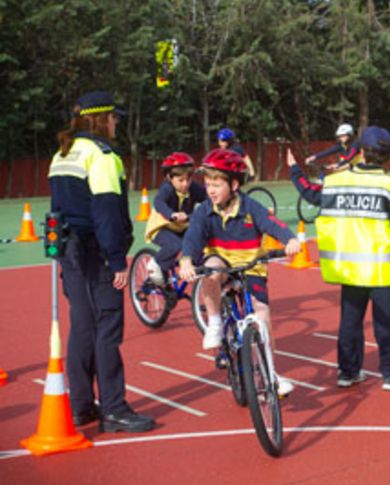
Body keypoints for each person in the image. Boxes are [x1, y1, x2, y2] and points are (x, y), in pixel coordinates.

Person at [48, 90, 155, 432]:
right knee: (107, 326)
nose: (116, 123)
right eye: (113, 118)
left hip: (69, 251)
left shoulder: (62, 154)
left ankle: (81, 407)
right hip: (96, 252)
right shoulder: (103, 155)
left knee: (82, 327)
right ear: (99, 119)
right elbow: (107, 211)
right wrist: (117, 261)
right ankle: (114, 409)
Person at [289, 126, 390, 391]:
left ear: (359, 153)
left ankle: (348, 372)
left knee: (350, 321)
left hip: (348, 268)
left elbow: (310, 193)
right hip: (382, 269)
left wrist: (294, 170)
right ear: (388, 156)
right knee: (386, 323)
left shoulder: (336, 182)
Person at [179, 148, 300, 396]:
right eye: (208, 183)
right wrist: (187, 260)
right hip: (221, 260)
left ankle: (271, 374)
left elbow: (272, 224)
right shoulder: (204, 209)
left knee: (263, 316)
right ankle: (214, 321)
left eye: (217, 184)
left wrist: (290, 239)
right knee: (211, 271)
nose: (210, 189)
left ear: (234, 184)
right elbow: (193, 236)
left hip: (251, 266)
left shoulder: (250, 207)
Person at [144, 152, 207, 285]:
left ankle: (193, 267)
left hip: (182, 227)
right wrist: (172, 214)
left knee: (197, 241)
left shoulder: (193, 188)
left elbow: (208, 199)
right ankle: (155, 263)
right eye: (180, 180)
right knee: (174, 245)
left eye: (188, 179)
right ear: (169, 177)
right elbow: (159, 202)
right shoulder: (167, 189)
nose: (185, 184)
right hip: (162, 227)